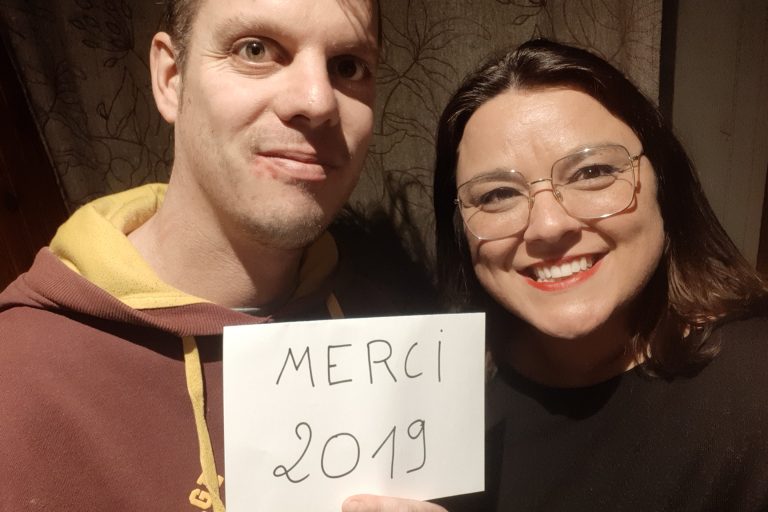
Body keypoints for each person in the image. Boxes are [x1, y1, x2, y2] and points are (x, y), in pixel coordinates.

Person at [0, 0, 444, 510]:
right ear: (171, 79)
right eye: (255, 50)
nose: (318, 101)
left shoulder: (393, 331)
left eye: (348, 66)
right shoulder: (17, 379)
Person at [430, 39, 768, 511]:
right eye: (497, 195)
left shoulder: (754, 389)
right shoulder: (441, 400)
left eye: (591, 172)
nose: (549, 226)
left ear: (663, 184)